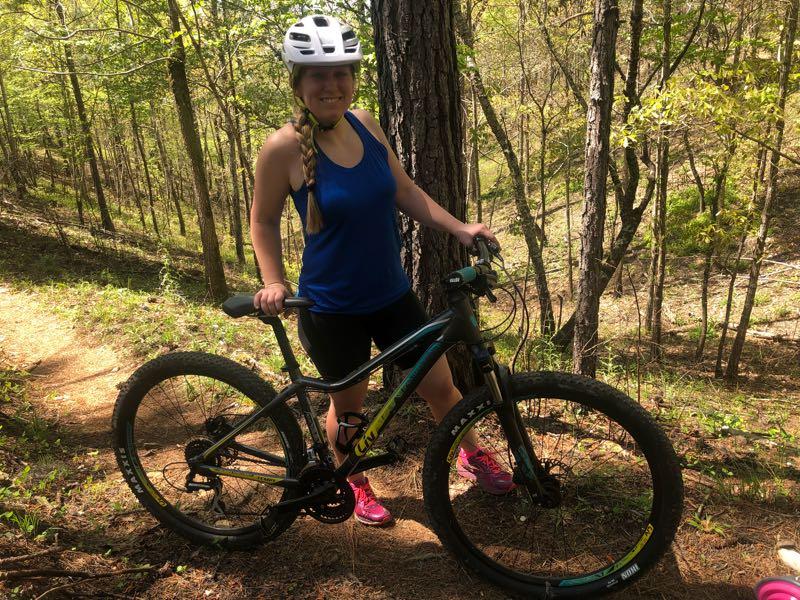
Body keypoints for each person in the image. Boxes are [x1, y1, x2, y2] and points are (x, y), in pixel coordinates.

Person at [250, 14, 514, 526]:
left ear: (352, 77)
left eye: (340, 73)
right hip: (332, 308)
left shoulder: (366, 124)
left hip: (392, 294)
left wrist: (458, 227)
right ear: (298, 83)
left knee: (440, 387)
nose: (331, 85)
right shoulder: (282, 147)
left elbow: (405, 190)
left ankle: (470, 453)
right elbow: (261, 220)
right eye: (317, 76)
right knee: (350, 410)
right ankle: (349, 478)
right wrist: (273, 281)